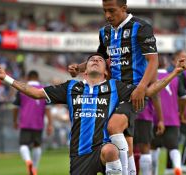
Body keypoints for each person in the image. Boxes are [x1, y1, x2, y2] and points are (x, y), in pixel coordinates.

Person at [0, 53, 186, 175]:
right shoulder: (70, 87)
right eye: (92, 60)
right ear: (84, 72)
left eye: (100, 60)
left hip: (103, 149)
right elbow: (35, 93)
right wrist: (6, 78)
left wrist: (174, 72)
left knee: (111, 151)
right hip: (79, 153)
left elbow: (149, 91)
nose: (95, 60)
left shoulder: (115, 87)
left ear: (106, 72)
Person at [68, 0, 159, 174]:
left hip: (134, 91)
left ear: (124, 9)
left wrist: (141, 88)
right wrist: (79, 68)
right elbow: (99, 58)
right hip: (112, 93)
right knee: (126, 140)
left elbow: (153, 61)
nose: (107, 15)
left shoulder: (141, 27)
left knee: (113, 127)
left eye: (111, 11)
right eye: (104, 11)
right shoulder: (105, 32)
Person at [150, 56, 186, 175]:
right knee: (173, 147)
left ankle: (154, 172)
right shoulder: (175, 78)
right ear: (166, 65)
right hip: (172, 118)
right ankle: (177, 167)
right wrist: (181, 112)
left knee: (153, 147)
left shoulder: (151, 78)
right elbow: (184, 97)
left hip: (155, 118)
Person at [12, 70, 53, 175]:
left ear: (27, 77)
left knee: (23, 144)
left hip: (25, 122)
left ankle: (28, 161)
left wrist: (15, 121)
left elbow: (15, 107)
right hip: (38, 123)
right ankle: (34, 168)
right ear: (37, 77)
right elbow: (48, 109)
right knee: (37, 145)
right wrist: (50, 124)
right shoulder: (44, 89)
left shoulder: (21, 89)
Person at [166, 50, 186, 174]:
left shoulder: (183, 73)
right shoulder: (175, 74)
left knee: (175, 139)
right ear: (175, 60)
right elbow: (181, 95)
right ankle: (180, 165)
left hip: (178, 111)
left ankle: (171, 167)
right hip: (176, 112)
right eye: (183, 58)